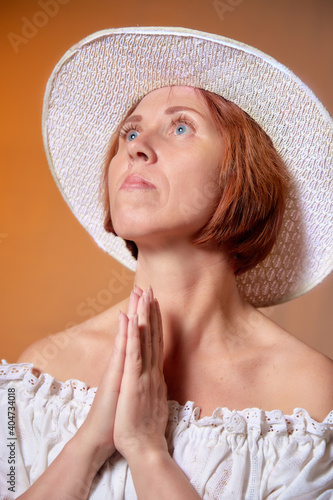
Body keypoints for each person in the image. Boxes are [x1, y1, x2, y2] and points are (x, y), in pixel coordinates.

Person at [0, 27, 332, 499]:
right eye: (129, 132)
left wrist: (146, 451)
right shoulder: (34, 377)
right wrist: (89, 443)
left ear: (240, 171)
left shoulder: (312, 398)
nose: (135, 146)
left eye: (180, 127)